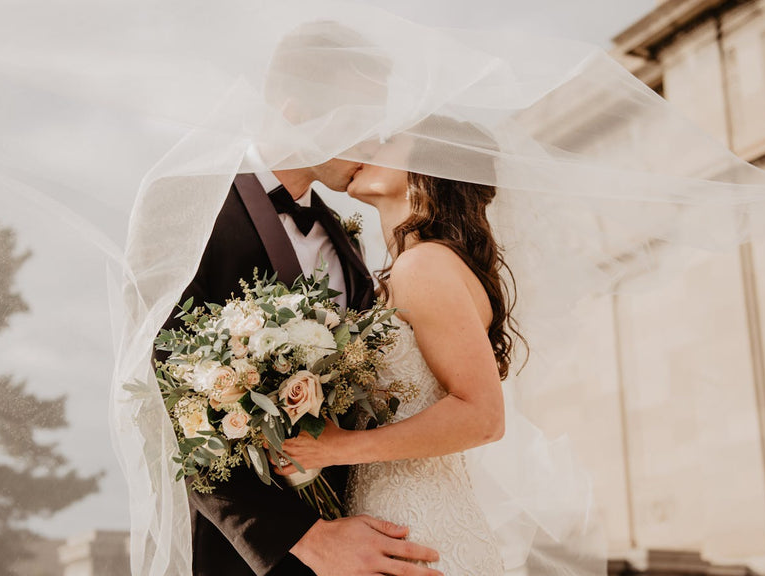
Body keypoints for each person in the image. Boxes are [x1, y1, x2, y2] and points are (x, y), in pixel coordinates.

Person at [155, 21, 444, 576]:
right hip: (249, 556)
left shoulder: (345, 238)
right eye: (358, 121)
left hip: (365, 535)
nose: (372, 142)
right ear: (294, 111)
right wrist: (306, 540)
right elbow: (169, 401)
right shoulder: (187, 207)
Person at [278, 127, 518, 574]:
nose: (366, 144)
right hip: (387, 519)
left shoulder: (424, 265)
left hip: (417, 524)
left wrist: (337, 448)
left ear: (427, 169)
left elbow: (483, 416)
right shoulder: (408, 269)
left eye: (387, 140)